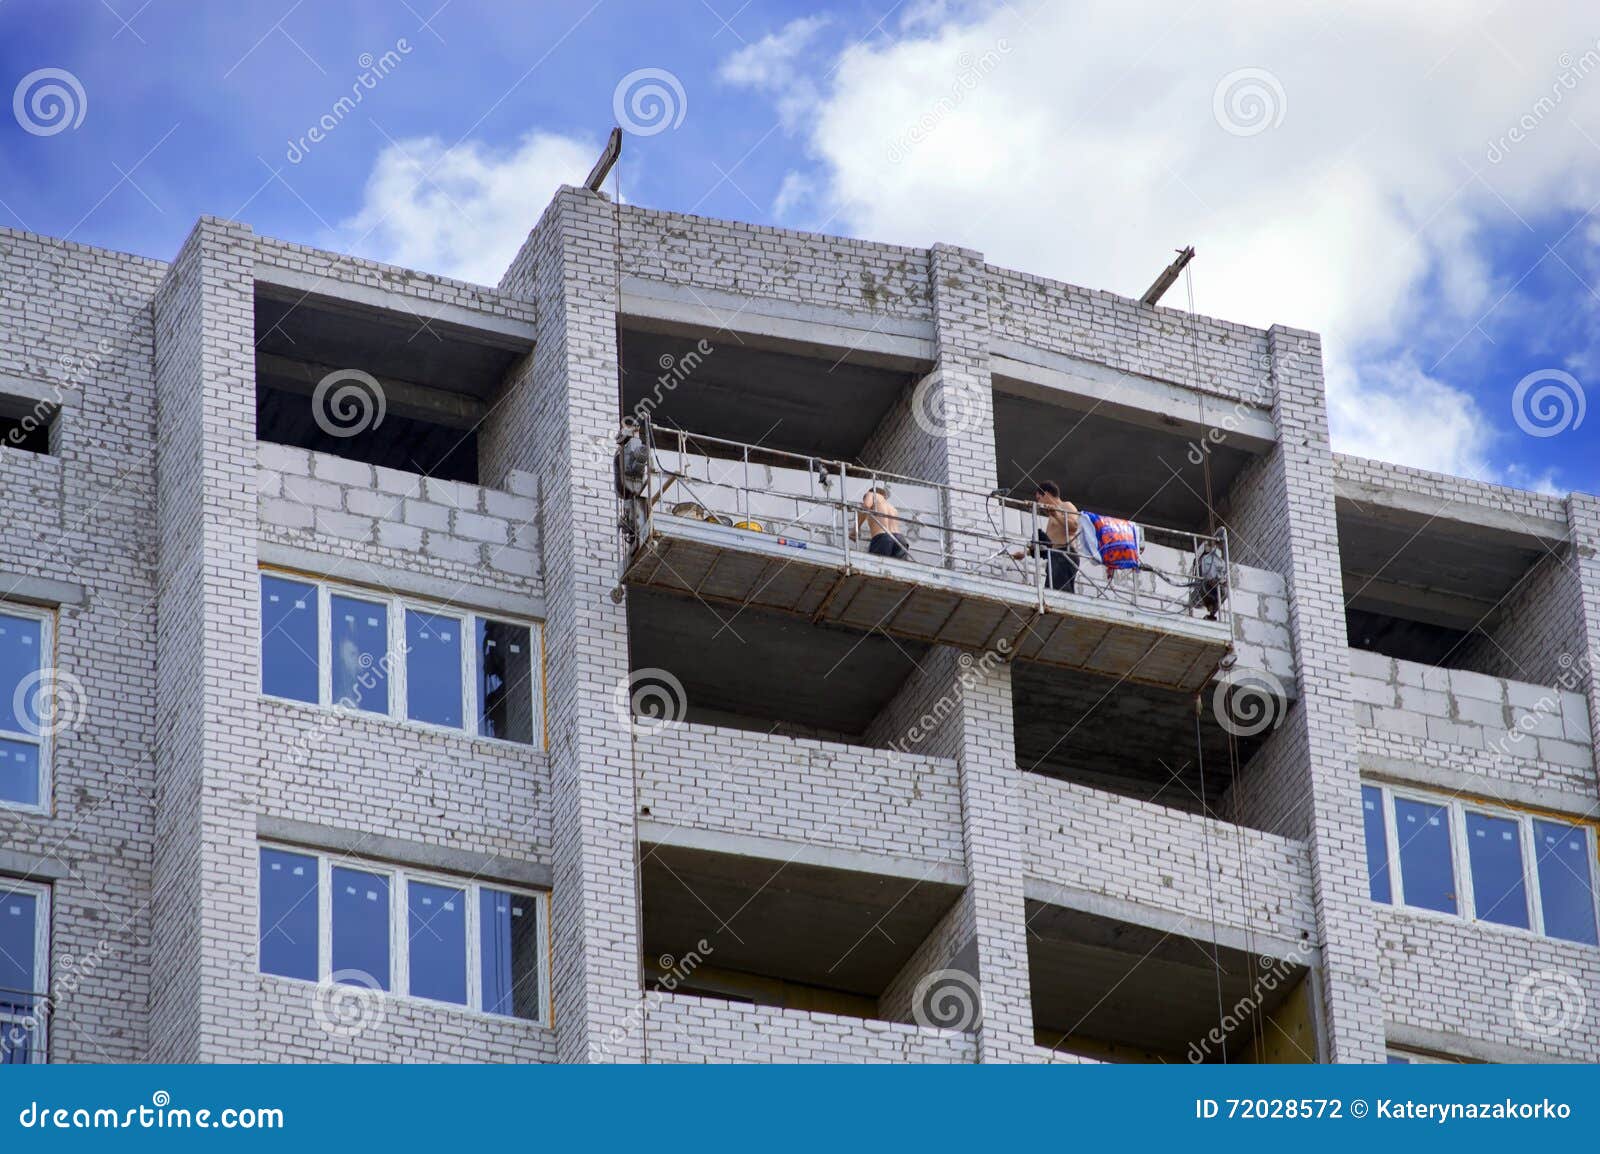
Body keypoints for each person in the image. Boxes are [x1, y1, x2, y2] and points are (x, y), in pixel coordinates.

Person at [1011, 481, 1079, 592]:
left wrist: (1056, 515)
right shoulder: (1052, 517)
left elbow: (1074, 527)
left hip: (1064, 555)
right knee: (1051, 590)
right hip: (1055, 556)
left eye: (1039, 499)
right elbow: (1048, 544)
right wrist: (1025, 553)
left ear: (1046, 494)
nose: (1039, 502)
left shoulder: (1066, 505)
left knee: (1059, 592)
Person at [857, 485, 910, 559]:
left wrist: (855, 529)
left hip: (883, 538)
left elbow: (866, 507)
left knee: (876, 567)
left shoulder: (871, 494)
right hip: (900, 539)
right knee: (896, 569)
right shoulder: (893, 508)